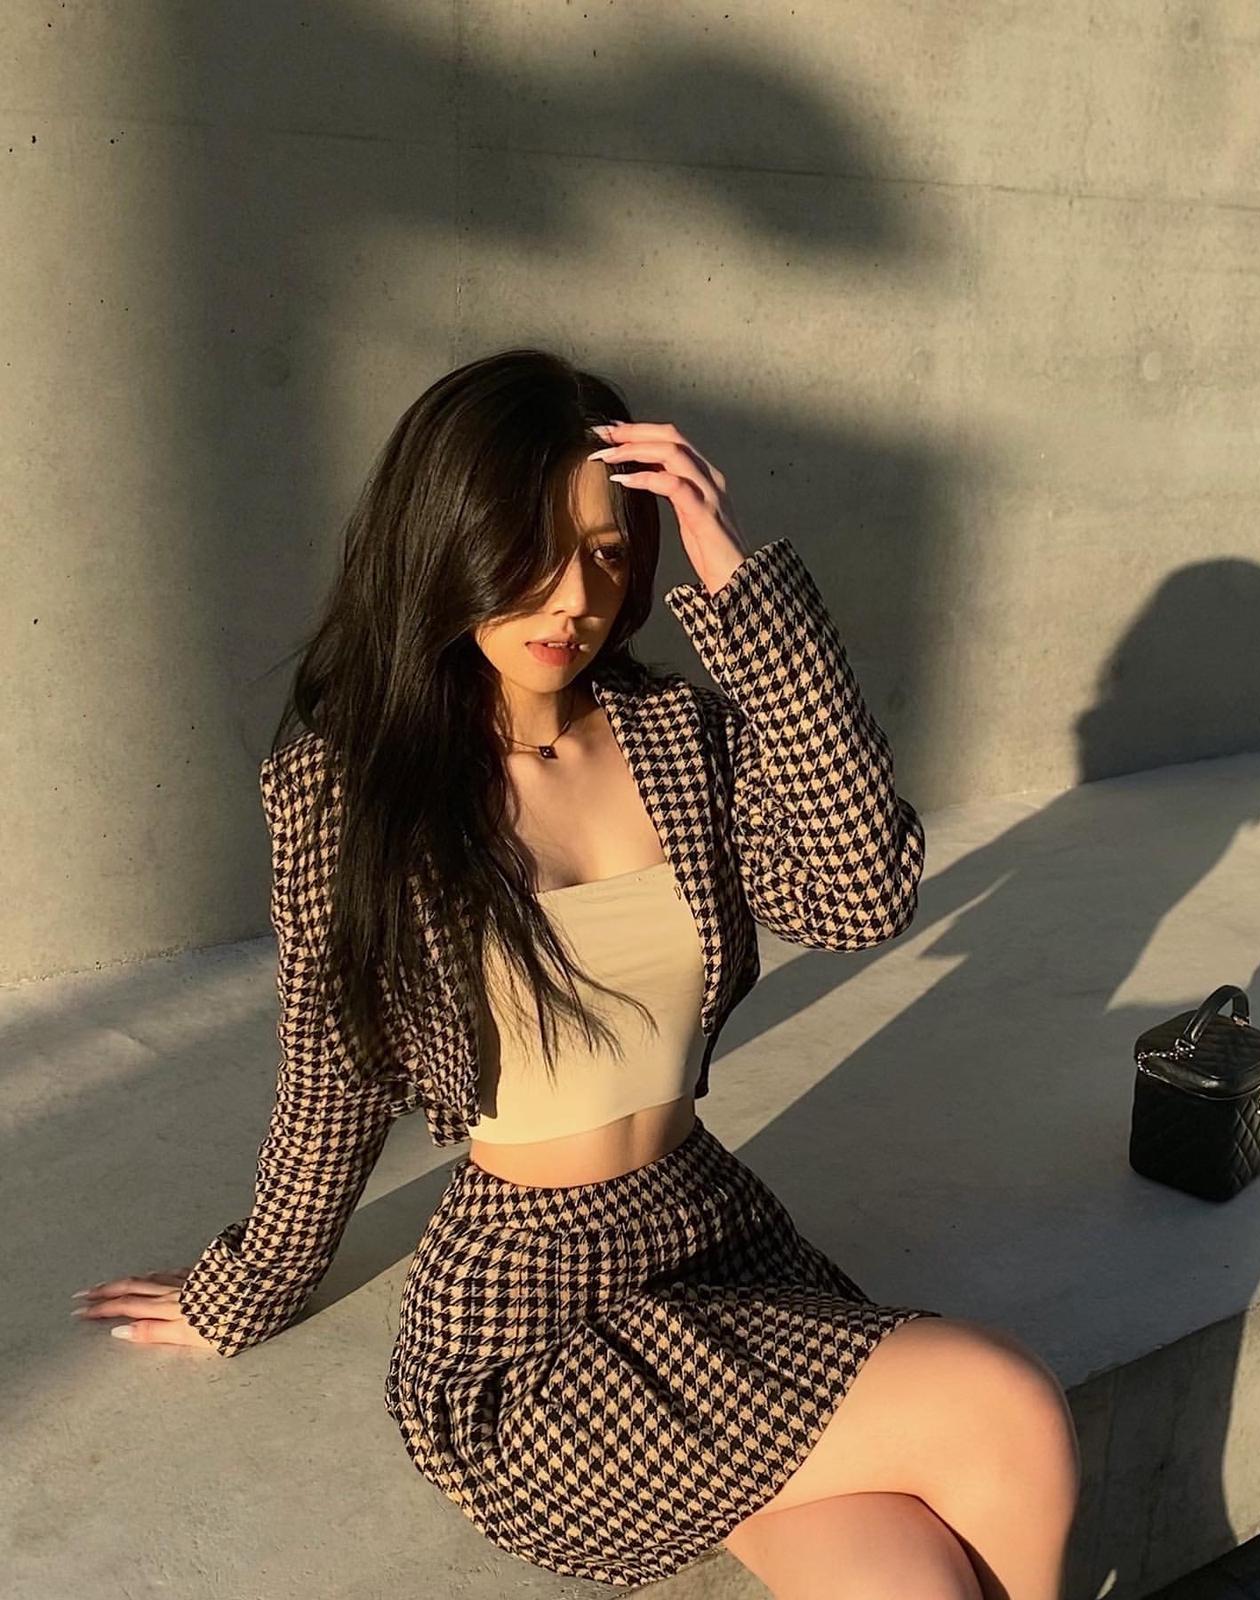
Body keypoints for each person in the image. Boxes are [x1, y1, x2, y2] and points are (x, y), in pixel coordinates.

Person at [70, 350, 1080, 1597]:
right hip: (531, 1320)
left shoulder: (678, 738)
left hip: (715, 1240)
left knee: (909, 1580)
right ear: (446, 543)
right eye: (530, 551)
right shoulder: (350, 789)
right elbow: (333, 1079)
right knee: (1003, 1406)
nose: (572, 598)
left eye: (606, 551)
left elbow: (858, 892)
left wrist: (736, 578)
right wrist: (246, 1285)